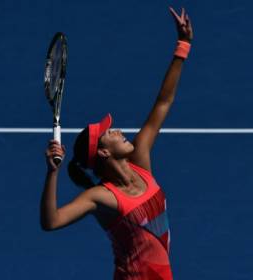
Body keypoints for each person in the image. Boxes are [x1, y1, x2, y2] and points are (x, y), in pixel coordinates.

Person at [40, 7, 193, 280]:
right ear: (103, 151)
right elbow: (51, 221)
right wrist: (53, 173)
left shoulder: (141, 162)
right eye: (109, 132)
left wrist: (182, 47)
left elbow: (163, 102)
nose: (118, 130)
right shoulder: (103, 197)